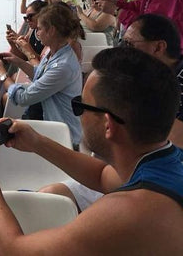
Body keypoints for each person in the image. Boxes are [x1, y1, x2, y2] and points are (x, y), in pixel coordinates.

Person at [0, 47, 183, 255]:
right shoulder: (164, 162)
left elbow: (15, 251)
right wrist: (37, 142)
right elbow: (101, 176)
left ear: (108, 125)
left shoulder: (131, 211)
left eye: (80, 105)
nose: (78, 114)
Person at [42, 13, 183, 212]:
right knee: (53, 193)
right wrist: (35, 142)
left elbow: (15, 245)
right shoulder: (154, 162)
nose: (122, 51)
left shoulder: (142, 203)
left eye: (128, 44)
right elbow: (102, 176)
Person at [0, 3, 83, 148]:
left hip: (61, 138)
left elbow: (23, 98)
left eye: (39, 29)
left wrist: (2, 74)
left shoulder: (63, 66)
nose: (37, 33)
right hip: (47, 121)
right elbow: (40, 75)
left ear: (51, 30)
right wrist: (17, 61)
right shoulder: (55, 53)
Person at [121, 14, 183, 148]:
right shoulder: (153, 75)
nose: (124, 52)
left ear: (158, 48)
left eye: (129, 44)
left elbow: (179, 137)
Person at [96, 0, 183, 52]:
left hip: (165, 53)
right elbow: (141, 4)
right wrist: (116, 3)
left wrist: (116, 11)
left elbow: (150, 27)